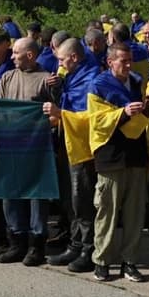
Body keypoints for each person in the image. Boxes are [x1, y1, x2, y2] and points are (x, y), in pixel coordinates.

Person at [88, 43, 149, 283]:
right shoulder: (98, 85)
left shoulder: (136, 81)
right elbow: (97, 120)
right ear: (110, 61)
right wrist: (123, 112)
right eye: (122, 61)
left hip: (135, 155)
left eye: (129, 61)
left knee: (135, 213)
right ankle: (102, 261)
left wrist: (144, 108)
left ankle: (130, 261)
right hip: (111, 156)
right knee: (107, 211)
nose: (127, 66)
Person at [0, 37, 57, 266]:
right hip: (9, 147)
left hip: (36, 149)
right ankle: (16, 242)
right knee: (10, 195)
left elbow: (57, 114)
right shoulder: (7, 77)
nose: (11, 56)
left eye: (16, 53)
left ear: (29, 55)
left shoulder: (47, 80)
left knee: (36, 197)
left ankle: (36, 245)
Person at [44, 38, 100, 272]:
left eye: (61, 59)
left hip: (84, 148)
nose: (59, 64)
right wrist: (56, 89)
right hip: (67, 143)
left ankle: (89, 249)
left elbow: (91, 117)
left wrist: (60, 113)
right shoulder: (71, 77)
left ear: (74, 58)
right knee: (70, 198)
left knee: (83, 199)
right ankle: (75, 244)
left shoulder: (92, 79)